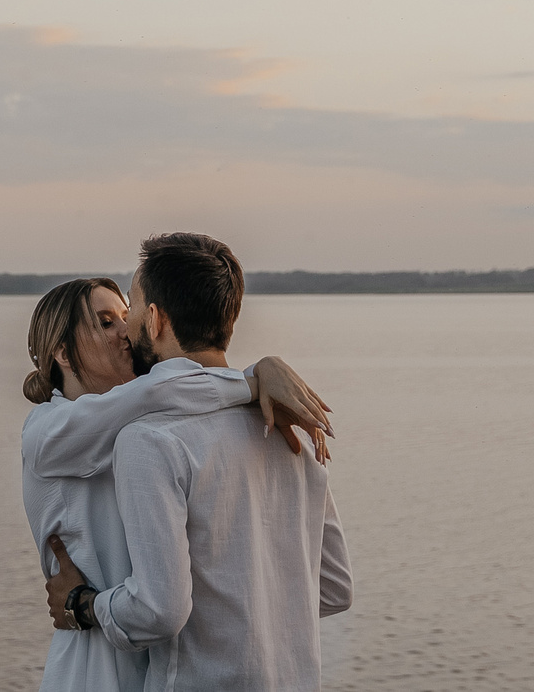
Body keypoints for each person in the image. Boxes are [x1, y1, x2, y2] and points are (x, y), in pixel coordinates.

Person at [44, 234, 351, 692]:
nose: (125, 331)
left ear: (156, 318)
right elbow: (333, 589)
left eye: (132, 313)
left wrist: (83, 604)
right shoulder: (296, 435)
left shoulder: (149, 440)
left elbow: (159, 611)